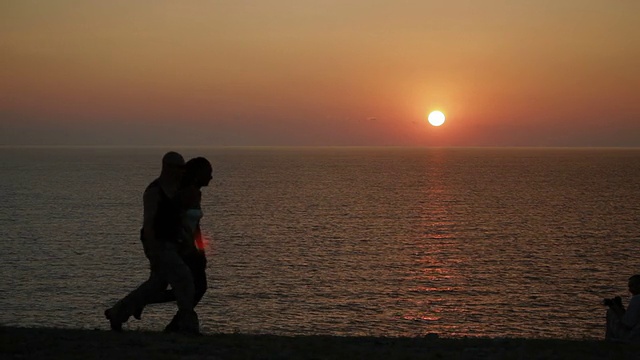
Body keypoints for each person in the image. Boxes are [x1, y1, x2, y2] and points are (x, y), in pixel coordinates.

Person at [104, 151, 200, 334]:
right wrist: (153, 249)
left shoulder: (179, 190)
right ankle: (189, 326)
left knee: (156, 285)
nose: (182, 171)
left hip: (174, 244)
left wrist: (187, 241)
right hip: (159, 244)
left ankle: (118, 313)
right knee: (184, 279)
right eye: (179, 168)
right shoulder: (154, 192)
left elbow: (182, 219)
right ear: (167, 167)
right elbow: (148, 223)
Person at [134, 157, 213, 332]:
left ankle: (140, 305)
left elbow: (196, 226)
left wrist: (201, 250)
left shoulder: (195, 193)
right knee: (192, 286)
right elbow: (173, 220)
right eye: (208, 173)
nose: (211, 177)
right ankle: (178, 325)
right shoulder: (181, 193)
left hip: (189, 247)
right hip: (179, 245)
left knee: (172, 285)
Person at [604, 274, 640, 342]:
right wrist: (620, 308)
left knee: (611, 312)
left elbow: (628, 323)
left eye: (632, 286)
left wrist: (615, 308)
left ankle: (608, 340)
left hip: (633, 337)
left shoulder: (637, 299)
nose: (630, 289)